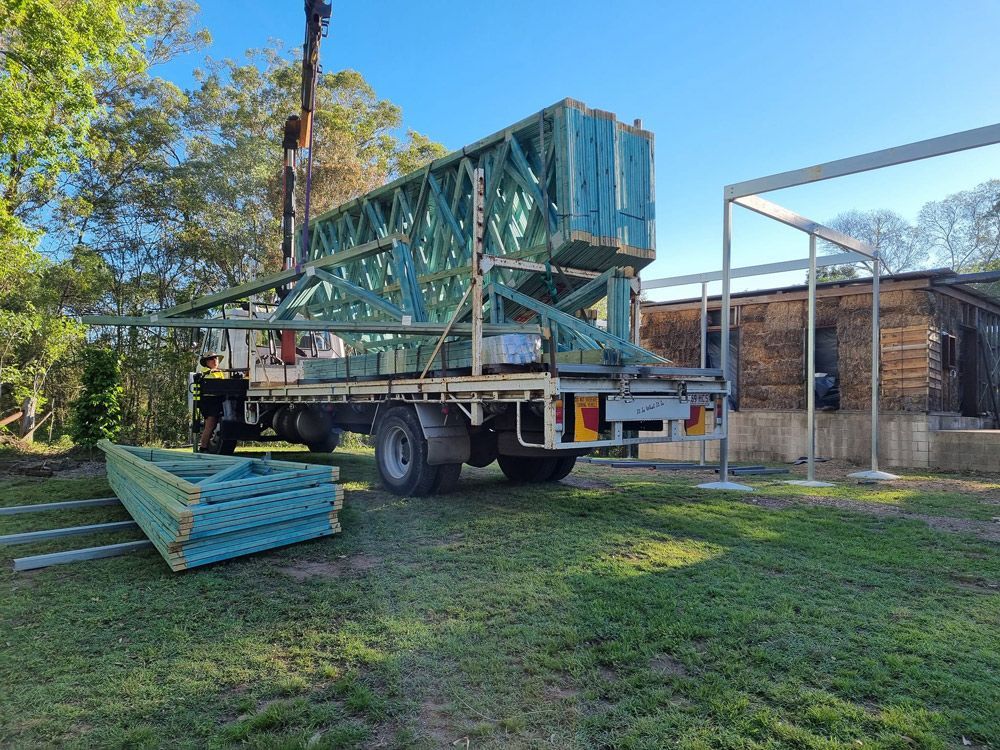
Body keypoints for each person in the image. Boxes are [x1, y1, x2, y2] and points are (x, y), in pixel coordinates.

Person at [197, 352, 226, 451]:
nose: (215, 361)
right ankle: (203, 447)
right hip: (208, 401)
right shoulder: (205, 371)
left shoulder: (219, 372)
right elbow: (210, 379)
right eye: (211, 359)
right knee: (210, 424)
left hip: (217, 400)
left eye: (216, 359)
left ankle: (206, 446)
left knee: (211, 425)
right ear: (206, 362)